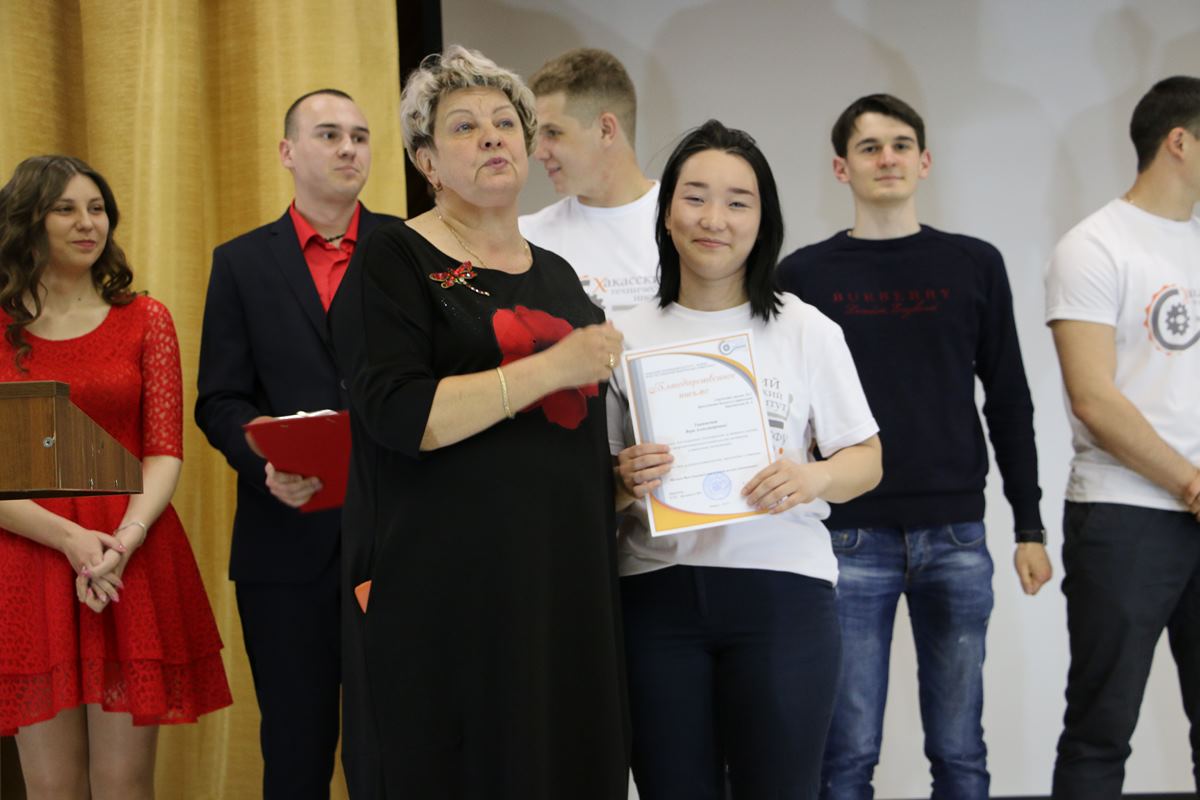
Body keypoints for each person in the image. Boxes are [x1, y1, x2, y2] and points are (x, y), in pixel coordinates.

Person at [327, 45, 629, 798]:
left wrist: (617, 483)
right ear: (426, 161)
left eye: (506, 122)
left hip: (561, 585)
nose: (492, 135)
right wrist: (552, 367)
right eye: (464, 126)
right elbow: (402, 416)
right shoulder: (393, 256)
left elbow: (563, 437)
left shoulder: (558, 274)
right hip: (449, 591)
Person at [775, 94, 1051, 799]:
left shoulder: (974, 264)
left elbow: (1010, 399)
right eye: (869, 147)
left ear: (924, 161)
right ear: (841, 168)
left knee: (960, 753)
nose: (887, 158)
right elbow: (781, 407)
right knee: (846, 755)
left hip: (955, 534)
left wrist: (1028, 526)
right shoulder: (803, 276)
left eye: (901, 145)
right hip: (847, 537)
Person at [609, 119, 883, 799]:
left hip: (782, 594)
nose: (715, 219)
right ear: (666, 212)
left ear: (763, 221)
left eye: (738, 202)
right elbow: (595, 489)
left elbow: (867, 459)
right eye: (695, 197)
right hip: (655, 597)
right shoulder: (619, 335)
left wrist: (812, 477)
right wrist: (623, 481)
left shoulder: (806, 330)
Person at [0, 155, 231, 798]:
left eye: (97, 209)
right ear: (27, 222)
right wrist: (69, 540)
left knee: (124, 784)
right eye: (66, 209)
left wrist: (123, 540)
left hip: (126, 557)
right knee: (51, 787)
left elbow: (164, 450)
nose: (88, 223)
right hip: (29, 557)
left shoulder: (145, 318)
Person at [194, 89, 398, 799]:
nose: (349, 148)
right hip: (284, 547)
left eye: (360, 136)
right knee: (295, 753)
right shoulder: (241, 263)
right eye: (329, 134)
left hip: (398, 541)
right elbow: (219, 400)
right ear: (287, 152)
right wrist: (264, 465)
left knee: (397, 752)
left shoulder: (411, 249)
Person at [1045, 75, 1200, 799]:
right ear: (1180, 142)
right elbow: (1094, 397)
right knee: (1101, 728)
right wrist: (1191, 482)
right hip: (1125, 515)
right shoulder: (1094, 246)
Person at [518, 47, 659, 313]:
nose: (538, 152)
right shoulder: (527, 241)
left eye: (553, 133)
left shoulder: (684, 226)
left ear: (605, 130)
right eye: (538, 136)